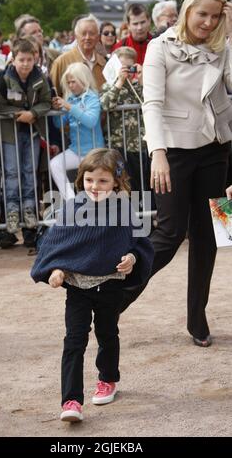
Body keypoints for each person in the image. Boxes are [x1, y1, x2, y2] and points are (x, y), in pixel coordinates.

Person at [31, 148, 154, 422]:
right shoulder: (72, 209)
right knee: (74, 341)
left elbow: (140, 244)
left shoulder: (124, 209)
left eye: (102, 181)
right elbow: (57, 246)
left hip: (110, 286)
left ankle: (108, 379)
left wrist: (132, 259)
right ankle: (71, 400)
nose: (94, 186)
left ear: (116, 183)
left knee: (107, 334)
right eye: (89, 180)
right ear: (81, 180)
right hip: (78, 289)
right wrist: (56, 270)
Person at [142, 0, 232, 347]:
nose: (208, 23)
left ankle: (198, 317)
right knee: (168, 234)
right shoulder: (159, 46)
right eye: (202, 15)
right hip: (174, 153)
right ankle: (115, 296)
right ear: (187, 11)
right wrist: (157, 152)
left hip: (218, 150)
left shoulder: (222, 45)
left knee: (215, 235)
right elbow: (152, 103)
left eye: (216, 16)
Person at [0, 38, 51, 234]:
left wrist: (33, 114)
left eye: (29, 59)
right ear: (14, 60)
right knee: (11, 172)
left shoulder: (40, 78)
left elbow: (46, 101)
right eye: (21, 60)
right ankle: (12, 210)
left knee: (29, 171)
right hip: (11, 133)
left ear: (35, 59)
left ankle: (29, 209)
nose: (25, 64)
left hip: (32, 132)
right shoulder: (3, 79)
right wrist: (18, 115)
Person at [50, 62, 104, 201]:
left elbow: (91, 121)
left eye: (73, 81)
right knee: (55, 164)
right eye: (68, 82)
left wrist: (69, 107)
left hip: (94, 152)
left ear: (83, 79)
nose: (70, 85)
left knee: (95, 188)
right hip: (76, 151)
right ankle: (71, 202)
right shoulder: (71, 99)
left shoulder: (92, 97)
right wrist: (58, 110)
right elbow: (59, 124)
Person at [100, 47, 147, 193]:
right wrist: (119, 81)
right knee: (123, 184)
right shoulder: (109, 86)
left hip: (140, 146)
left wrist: (142, 79)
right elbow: (105, 104)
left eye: (129, 67)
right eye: (122, 67)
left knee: (143, 184)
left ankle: (145, 214)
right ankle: (127, 213)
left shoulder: (138, 86)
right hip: (119, 145)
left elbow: (150, 101)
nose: (125, 71)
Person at [51, 14, 106, 96]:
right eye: (83, 33)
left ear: (98, 37)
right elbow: (53, 93)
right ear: (76, 36)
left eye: (92, 33)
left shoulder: (103, 63)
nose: (87, 37)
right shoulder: (61, 62)